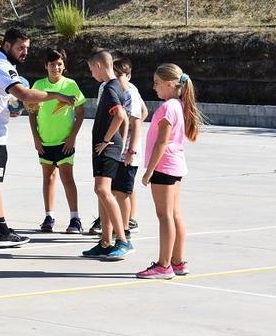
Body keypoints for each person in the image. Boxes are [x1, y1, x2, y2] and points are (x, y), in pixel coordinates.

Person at [0, 28, 76, 250]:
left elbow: (2, 97)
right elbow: (23, 94)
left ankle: (2, 230)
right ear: (7, 46)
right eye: (20, 48)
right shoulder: (0, 65)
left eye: (27, 48)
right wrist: (56, 95)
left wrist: (9, 109)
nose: (25, 52)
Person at [137, 64, 201, 279]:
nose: (154, 87)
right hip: (175, 166)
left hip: (164, 168)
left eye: (157, 83)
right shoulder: (178, 105)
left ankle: (164, 265)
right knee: (174, 214)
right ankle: (178, 262)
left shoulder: (167, 108)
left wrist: (149, 172)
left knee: (164, 216)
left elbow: (161, 143)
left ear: (170, 84)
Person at [27, 48, 86, 234]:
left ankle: (75, 218)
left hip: (64, 142)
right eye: (52, 64)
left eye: (59, 64)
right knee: (48, 178)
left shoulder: (70, 85)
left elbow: (81, 112)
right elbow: (32, 113)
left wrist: (72, 137)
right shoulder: (38, 85)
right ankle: (49, 216)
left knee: (67, 178)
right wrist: (36, 137)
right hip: (45, 141)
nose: (56, 67)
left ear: (64, 66)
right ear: (46, 66)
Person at [82, 50, 132, 261]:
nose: (91, 73)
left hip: (107, 148)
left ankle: (122, 240)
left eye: (91, 68)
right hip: (107, 147)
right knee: (102, 190)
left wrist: (106, 140)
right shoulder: (115, 86)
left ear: (99, 66)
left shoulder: (111, 88)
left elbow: (121, 116)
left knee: (103, 190)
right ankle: (105, 242)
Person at [113, 57, 148, 238]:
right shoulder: (111, 88)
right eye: (115, 74)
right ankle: (119, 222)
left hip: (127, 152)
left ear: (129, 75)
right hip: (115, 149)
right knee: (118, 189)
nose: (118, 78)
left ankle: (125, 227)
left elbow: (141, 115)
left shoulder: (130, 92)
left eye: (121, 75)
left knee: (123, 190)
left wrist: (131, 148)